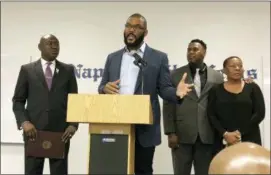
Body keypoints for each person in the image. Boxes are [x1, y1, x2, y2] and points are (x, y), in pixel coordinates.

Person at [98, 13, 193, 175]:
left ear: (145, 32)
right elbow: (102, 87)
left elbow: (164, 88)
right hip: (116, 123)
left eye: (137, 27)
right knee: (115, 169)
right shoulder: (112, 57)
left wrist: (176, 93)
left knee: (143, 170)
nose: (131, 30)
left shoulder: (158, 58)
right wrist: (104, 89)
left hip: (145, 126)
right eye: (128, 26)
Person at [12, 34, 78, 175]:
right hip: (34, 133)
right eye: (50, 43)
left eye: (57, 44)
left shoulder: (68, 70)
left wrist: (73, 124)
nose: (55, 47)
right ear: (40, 47)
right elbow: (18, 101)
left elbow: (74, 101)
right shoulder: (27, 70)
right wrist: (24, 122)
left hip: (61, 133)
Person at [163, 39, 224, 175]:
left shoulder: (217, 76)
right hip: (181, 134)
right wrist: (170, 132)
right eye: (189, 49)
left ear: (204, 52)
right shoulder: (175, 74)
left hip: (207, 135)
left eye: (195, 49)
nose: (191, 52)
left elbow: (222, 103)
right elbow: (168, 105)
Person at [207, 56, 265, 155]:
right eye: (233, 66)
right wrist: (225, 134)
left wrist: (239, 133)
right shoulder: (215, 90)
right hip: (223, 140)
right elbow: (211, 114)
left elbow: (259, 113)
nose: (237, 68)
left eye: (240, 66)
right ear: (224, 70)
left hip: (250, 139)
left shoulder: (252, 87)